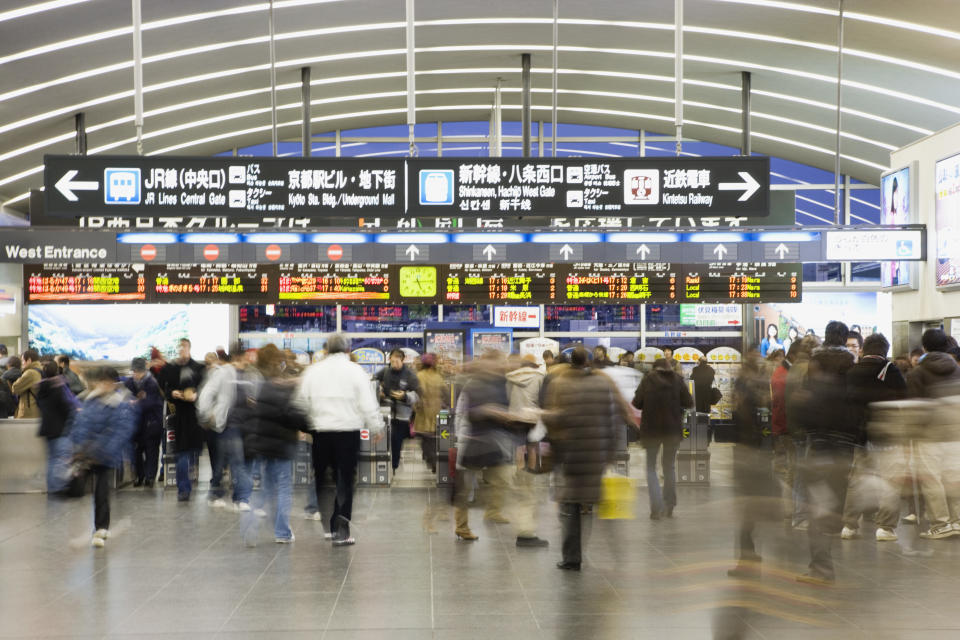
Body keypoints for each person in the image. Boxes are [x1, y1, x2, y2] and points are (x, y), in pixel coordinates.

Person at [545, 346, 630, 570]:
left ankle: (572, 557)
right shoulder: (602, 382)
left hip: (571, 453)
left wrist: (553, 444)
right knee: (595, 501)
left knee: (569, 505)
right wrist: (611, 451)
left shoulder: (560, 383)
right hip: (597, 452)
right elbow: (614, 419)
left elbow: (556, 420)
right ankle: (616, 553)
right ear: (589, 362)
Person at [295, 333, 383, 546]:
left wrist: (305, 426)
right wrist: (376, 427)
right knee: (344, 480)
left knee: (323, 478)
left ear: (326, 349)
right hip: (347, 431)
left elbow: (300, 402)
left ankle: (328, 527)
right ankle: (340, 529)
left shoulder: (313, 371)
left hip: (320, 432)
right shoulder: (355, 371)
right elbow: (367, 403)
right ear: (347, 350)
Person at [796, 321, 856, 585]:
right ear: (845, 339)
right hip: (845, 444)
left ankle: (821, 566)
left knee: (816, 506)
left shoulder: (814, 366)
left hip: (819, 444)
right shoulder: (853, 366)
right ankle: (826, 558)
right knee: (835, 503)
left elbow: (805, 404)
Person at [840, 333, 907, 542]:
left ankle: (849, 525)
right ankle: (885, 528)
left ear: (863, 350)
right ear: (884, 351)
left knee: (857, 481)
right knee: (891, 481)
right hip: (886, 436)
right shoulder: (891, 370)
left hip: (860, 435)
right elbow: (904, 398)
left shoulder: (851, 372)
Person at [241, 344, 309, 546]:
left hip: (263, 443)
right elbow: (289, 415)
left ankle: (250, 526)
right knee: (284, 488)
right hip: (283, 445)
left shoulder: (261, 385)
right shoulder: (281, 388)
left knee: (266, 488)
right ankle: (282, 532)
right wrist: (304, 423)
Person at [452, 353, 518, 541]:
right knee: (464, 489)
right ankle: (461, 526)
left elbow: (504, 410)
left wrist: (507, 418)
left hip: (493, 441)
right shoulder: (471, 385)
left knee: (501, 480)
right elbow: (464, 413)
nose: (497, 367)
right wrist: (487, 412)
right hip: (472, 440)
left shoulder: (500, 384)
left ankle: (493, 511)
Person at [68, 366, 136, 548]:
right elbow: (80, 424)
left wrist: (104, 450)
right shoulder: (90, 401)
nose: (102, 385)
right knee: (81, 491)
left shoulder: (120, 404)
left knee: (101, 492)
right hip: (87, 454)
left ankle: (100, 529)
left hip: (105, 456)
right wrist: (78, 446)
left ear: (112, 384)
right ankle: (94, 528)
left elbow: (122, 431)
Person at [905, 328, 960, 539]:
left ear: (924, 347)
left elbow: (914, 407)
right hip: (954, 434)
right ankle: (958, 520)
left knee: (932, 480)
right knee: (954, 478)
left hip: (928, 435)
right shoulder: (956, 369)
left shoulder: (917, 373)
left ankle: (941, 524)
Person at [728, 351, 774, 577]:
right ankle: (746, 557)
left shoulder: (744, 388)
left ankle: (747, 555)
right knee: (750, 510)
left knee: (749, 509)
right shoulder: (753, 390)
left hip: (747, 453)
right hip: (753, 453)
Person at [632, 357, 694, 519]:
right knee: (669, 467)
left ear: (654, 368)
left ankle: (656, 506)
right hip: (672, 430)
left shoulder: (647, 380)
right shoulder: (677, 380)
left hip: (651, 430)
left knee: (651, 468)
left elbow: (636, 403)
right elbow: (689, 402)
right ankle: (670, 504)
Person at [197, 348, 257, 510]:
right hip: (229, 425)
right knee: (236, 462)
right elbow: (206, 394)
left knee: (223, 463)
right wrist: (207, 414)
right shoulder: (223, 373)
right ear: (238, 357)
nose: (247, 360)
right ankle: (241, 498)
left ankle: (218, 494)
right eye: (245, 357)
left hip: (246, 426)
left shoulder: (249, 375)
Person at [505, 353, 550, 547]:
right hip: (531, 415)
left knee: (518, 445)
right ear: (533, 364)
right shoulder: (539, 377)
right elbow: (542, 398)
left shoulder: (511, 376)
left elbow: (507, 397)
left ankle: (518, 470)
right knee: (533, 445)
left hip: (514, 414)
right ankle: (530, 473)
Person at [159, 338, 206, 502]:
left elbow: (205, 389)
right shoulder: (170, 368)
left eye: (184, 348)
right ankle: (183, 488)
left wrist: (196, 395)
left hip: (195, 416)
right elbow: (163, 387)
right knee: (182, 453)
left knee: (192, 451)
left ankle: (188, 479)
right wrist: (172, 394)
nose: (182, 351)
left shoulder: (198, 368)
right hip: (178, 415)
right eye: (180, 348)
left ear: (189, 348)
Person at [413, 353, 447, 533]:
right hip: (436, 415)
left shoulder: (418, 376)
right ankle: (436, 466)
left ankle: (432, 463)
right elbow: (445, 394)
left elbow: (416, 398)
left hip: (423, 416)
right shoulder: (438, 377)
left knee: (426, 443)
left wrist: (416, 408)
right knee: (433, 441)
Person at [36, 360, 79, 493]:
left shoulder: (41, 389)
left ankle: (52, 488)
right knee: (61, 459)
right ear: (57, 371)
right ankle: (58, 488)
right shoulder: (59, 388)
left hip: (47, 429)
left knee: (52, 460)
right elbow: (68, 408)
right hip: (61, 430)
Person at [375, 348, 420, 472]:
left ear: (403, 359)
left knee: (396, 441)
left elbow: (417, 395)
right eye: (392, 361)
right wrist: (379, 391)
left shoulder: (410, 375)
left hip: (402, 415)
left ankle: (394, 465)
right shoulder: (385, 371)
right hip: (385, 412)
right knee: (385, 440)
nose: (394, 364)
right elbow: (373, 381)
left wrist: (404, 396)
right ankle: (385, 466)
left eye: (397, 362)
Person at [123, 358, 164, 489]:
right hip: (136, 424)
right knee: (137, 451)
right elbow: (125, 399)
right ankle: (140, 476)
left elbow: (150, 403)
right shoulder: (130, 383)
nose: (134, 374)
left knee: (151, 451)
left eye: (136, 371)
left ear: (142, 371)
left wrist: (135, 403)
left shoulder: (152, 384)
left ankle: (150, 476)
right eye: (133, 371)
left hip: (152, 423)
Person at [771, 342, 799, 525]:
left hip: (786, 427)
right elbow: (783, 405)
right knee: (793, 469)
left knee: (792, 468)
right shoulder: (784, 375)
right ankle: (790, 509)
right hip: (789, 428)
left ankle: (791, 508)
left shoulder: (783, 372)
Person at [12, 349, 43, 419]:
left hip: (28, 413)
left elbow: (15, 388)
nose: (22, 363)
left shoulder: (30, 373)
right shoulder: (40, 370)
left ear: (29, 360)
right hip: (37, 410)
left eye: (23, 360)